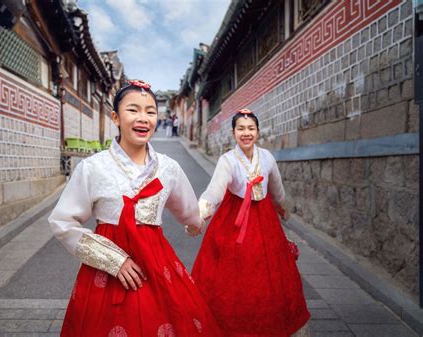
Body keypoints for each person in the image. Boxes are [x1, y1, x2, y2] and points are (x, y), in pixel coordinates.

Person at [49, 80, 222, 337]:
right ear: (116, 117)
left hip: (157, 265)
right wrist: (113, 260)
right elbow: (62, 222)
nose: (143, 118)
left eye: (150, 111)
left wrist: (197, 221)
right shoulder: (93, 168)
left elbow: (189, 213)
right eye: (133, 110)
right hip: (106, 272)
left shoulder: (168, 168)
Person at [191, 108, 310, 337]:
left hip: (264, 219)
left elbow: (277, 188)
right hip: (235, 220)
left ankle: (273, 321)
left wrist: (282, 208)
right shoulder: (227, 160)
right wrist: (199, 216)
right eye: (241, 129)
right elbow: (214, 192)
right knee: (234, 274)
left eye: (251, 128)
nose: (246, 133)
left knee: (270, 272)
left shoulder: (266, 157)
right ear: (234, 132)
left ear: (258, 131)